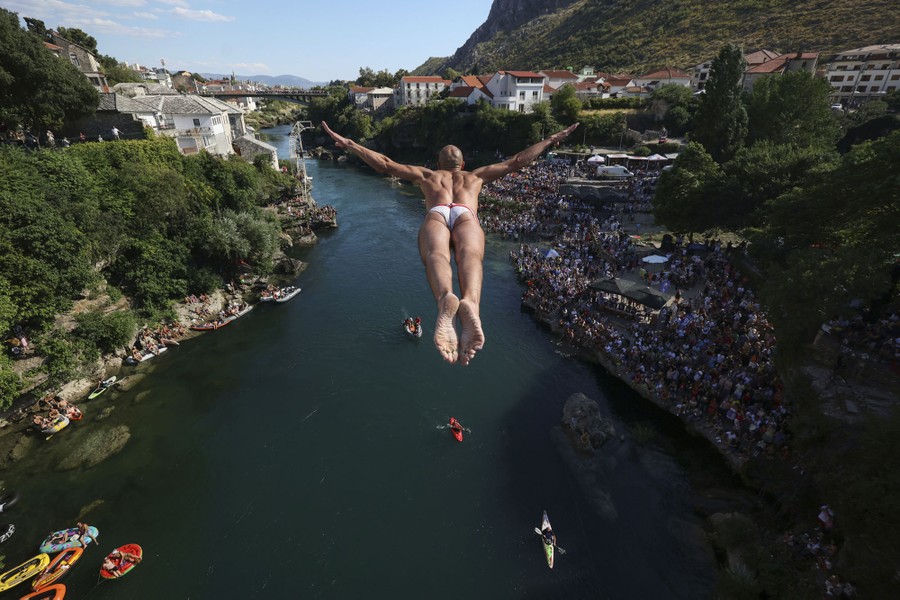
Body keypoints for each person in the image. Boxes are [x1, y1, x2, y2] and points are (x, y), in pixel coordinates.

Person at [321, 121, 579, 365]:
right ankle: (471, 304)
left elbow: (385, 164)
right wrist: (550, 139)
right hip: (466, 213)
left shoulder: (428, 175)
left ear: (438, 163)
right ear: (463, 163)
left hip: (438, 211)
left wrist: (352, 144)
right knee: (470, 255)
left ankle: (446, 297)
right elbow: (517, 161)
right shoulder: (476, 176)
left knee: (436, 255)